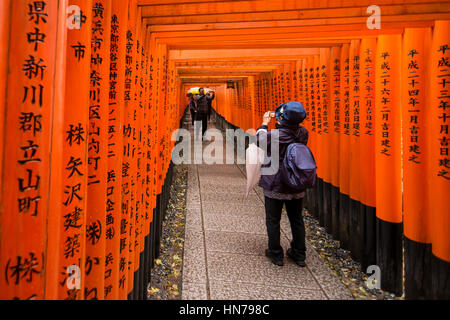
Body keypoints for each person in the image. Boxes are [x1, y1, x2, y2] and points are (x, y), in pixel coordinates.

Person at [256, 101, 308, 267]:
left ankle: (275, 253)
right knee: (296, 219)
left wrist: (265, 122)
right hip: (296, 182)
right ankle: (299, 254)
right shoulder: (303, 133)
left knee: (273, 219)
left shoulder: (275, 135)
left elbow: (259, 139)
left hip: (276, 182)